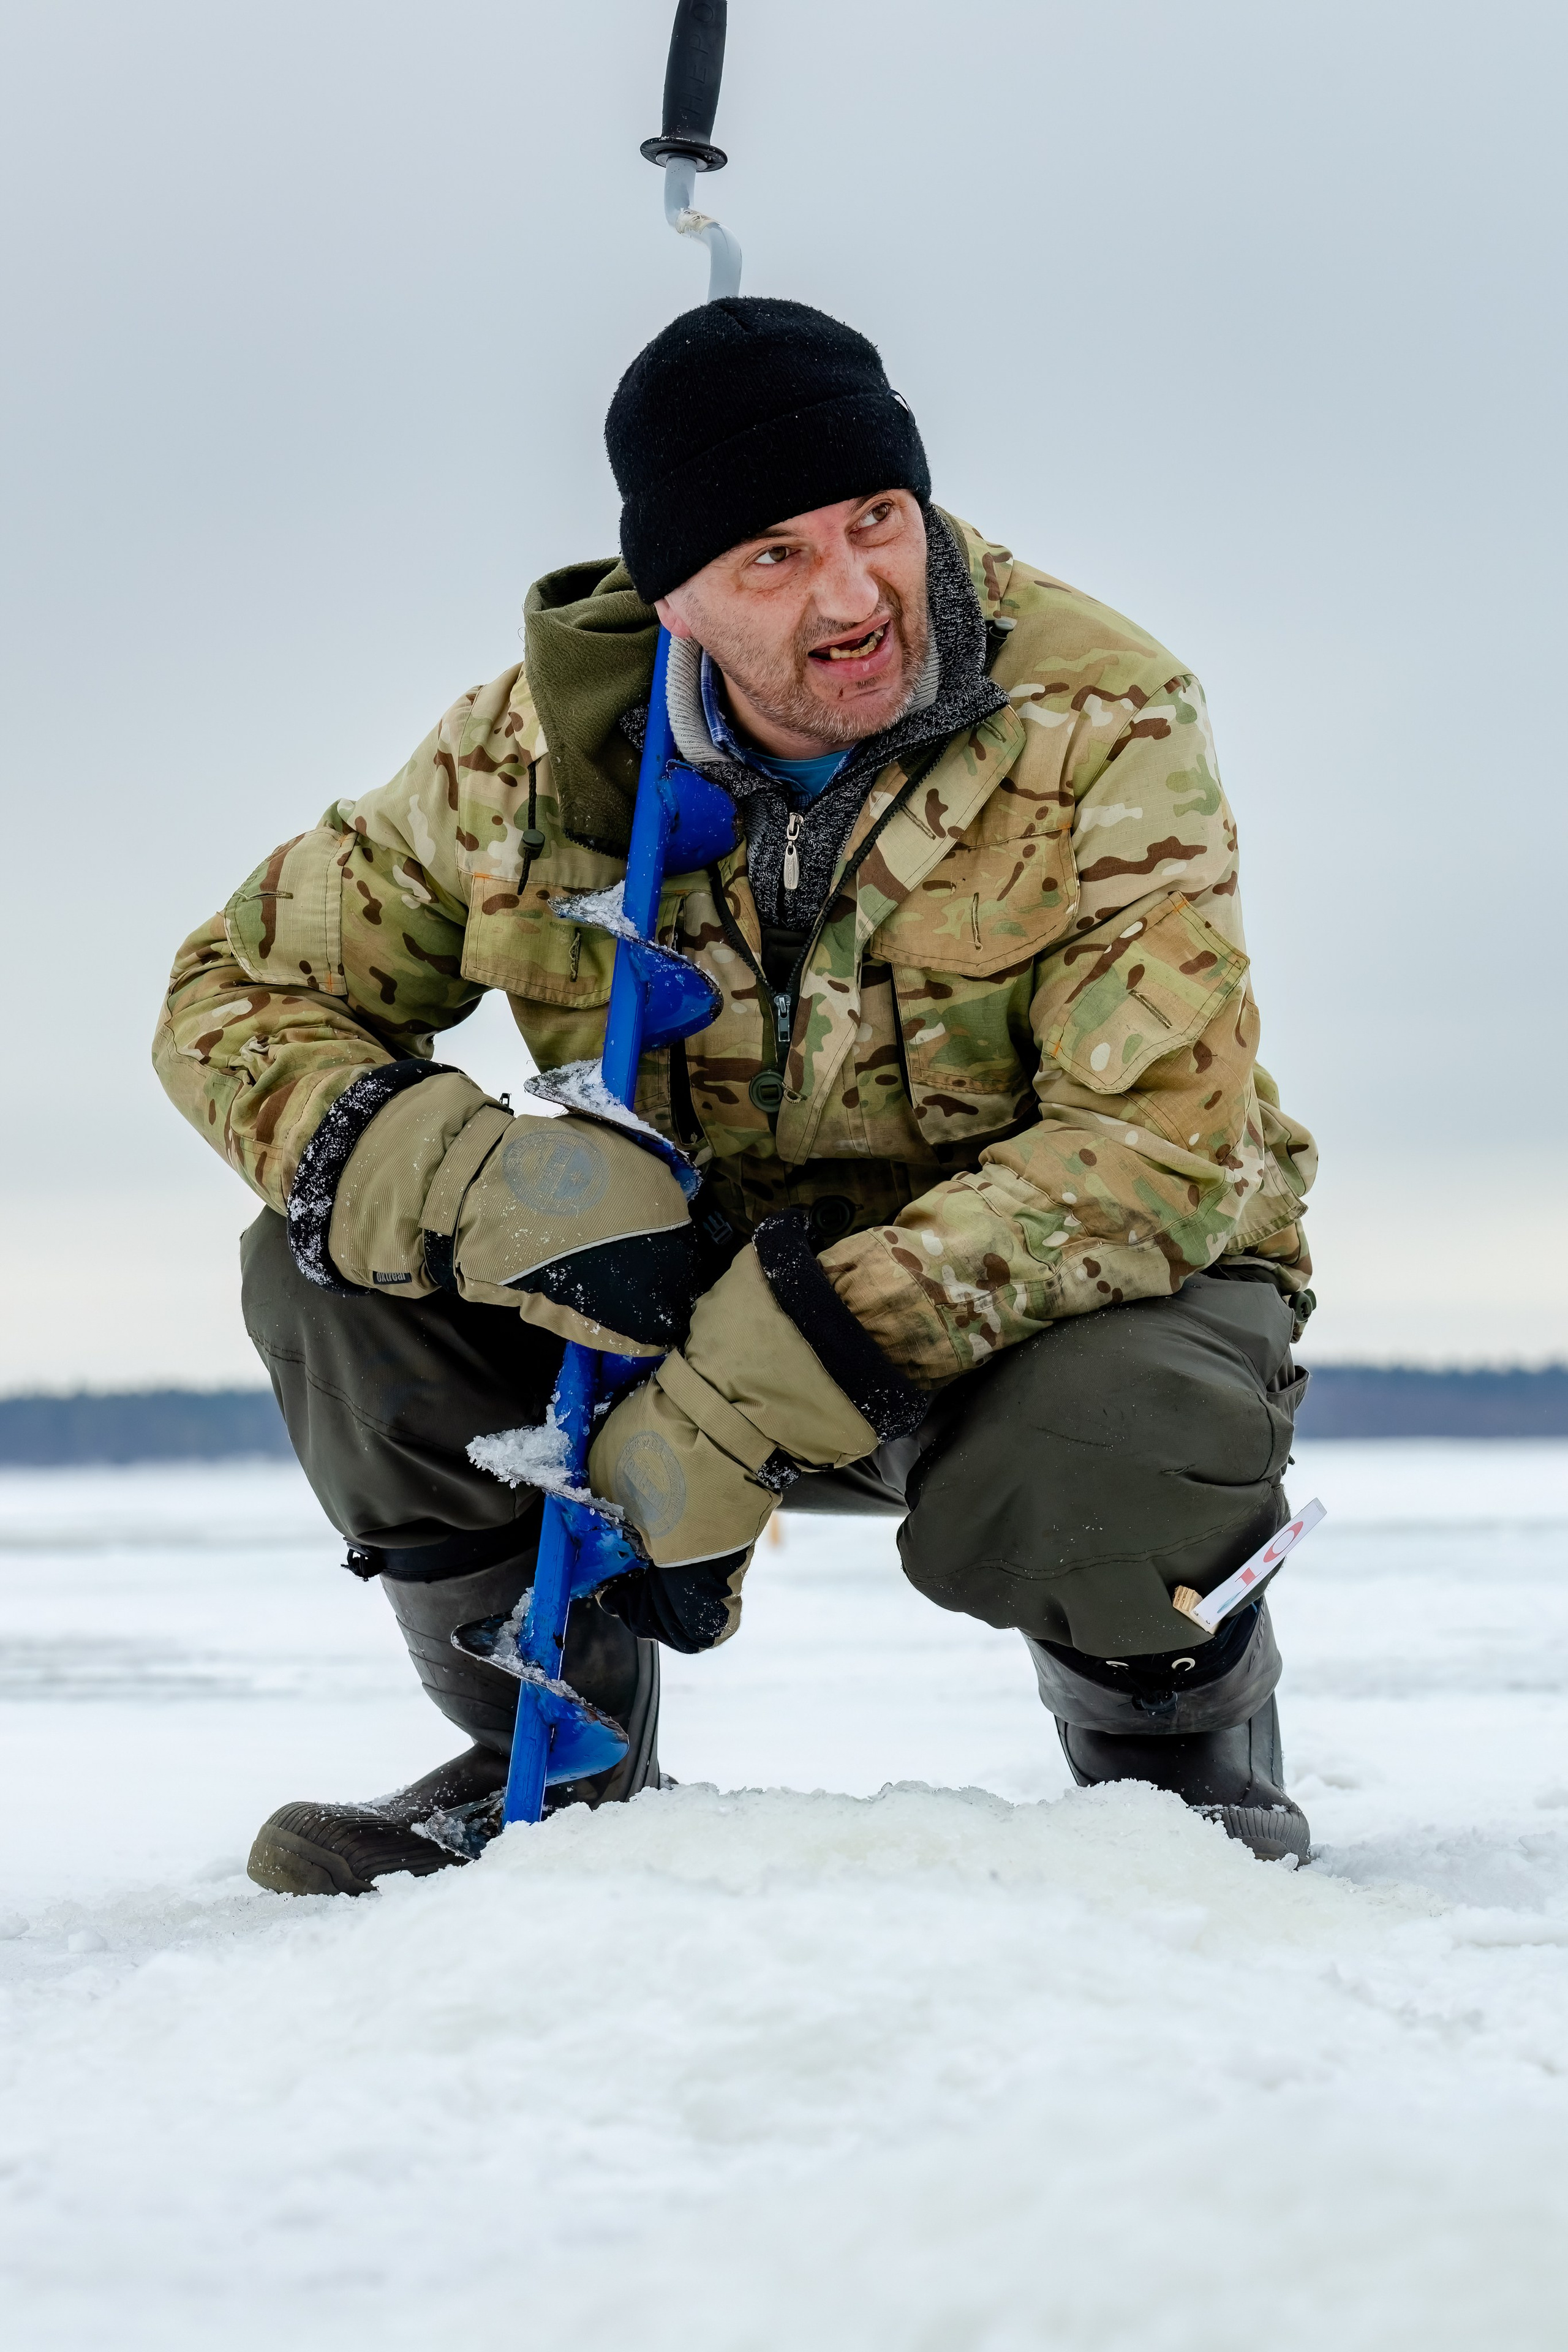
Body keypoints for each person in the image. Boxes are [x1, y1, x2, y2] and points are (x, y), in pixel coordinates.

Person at [154, 298, 1317, 1894]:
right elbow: (233, 994)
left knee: (1120, 1427)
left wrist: (759, 1382)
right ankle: (541, 1748)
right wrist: (485, 1186)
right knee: (323, 1264)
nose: (855, 596)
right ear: (672, 589)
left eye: (877, 521)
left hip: (1034, 1325)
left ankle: (1173, 1767)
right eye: (773, 555)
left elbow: (1155, 1150)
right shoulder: (525, 759)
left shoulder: (1098, 719)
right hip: (653, 1293)